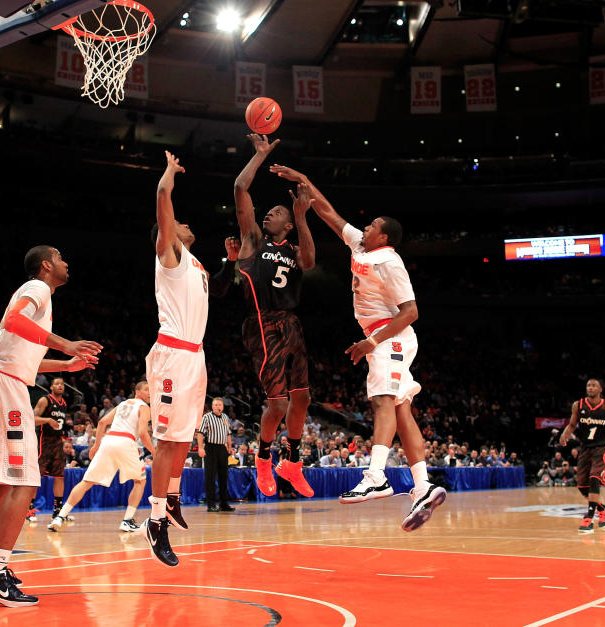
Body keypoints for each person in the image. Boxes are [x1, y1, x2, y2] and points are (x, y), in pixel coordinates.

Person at [272, 165, 447, 532]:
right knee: (401, 412)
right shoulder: (360, 245)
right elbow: (329, 213)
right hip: (381, 338)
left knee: (382, 400)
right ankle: (423, 486)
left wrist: (372, 342)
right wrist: (302, 178)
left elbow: (412, 312)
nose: (364, 227)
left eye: (372, 226)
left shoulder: (391, 262)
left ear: (384, 237)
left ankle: (376, 477)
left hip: (390, 337)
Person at [0, 245, 101, 607]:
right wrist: (66, 343)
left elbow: (25, 360)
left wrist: (66, 365)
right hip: (5, 385)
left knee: (4, 482)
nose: (66, 262)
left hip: (1, 378)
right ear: (46, 266)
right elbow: (13, 322)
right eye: (61, 257)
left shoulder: (40, 300)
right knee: (25, 480)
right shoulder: (38, 289)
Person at [233, 134, 316, 499]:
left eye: (277, 212)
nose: (270, 213)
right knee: (278, 403)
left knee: (303, 400)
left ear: (287, 224)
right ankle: (263, 456)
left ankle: (293, 462)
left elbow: (310, 263)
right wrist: (259, 155)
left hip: (291, 323)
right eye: (270, 211)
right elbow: (240, 188)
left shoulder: (295, 245)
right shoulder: (253, 239)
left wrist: (301, 218)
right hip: (262, 323)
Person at [143, 151, 214, 567]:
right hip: (172, 354)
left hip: (195, 356)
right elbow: (163, 204)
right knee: (168, 439)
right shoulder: (168, 257)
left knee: (185, 437)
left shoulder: (196, 263)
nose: (187, 225)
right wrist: (168, 175)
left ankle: (170, 497)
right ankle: (154, 522)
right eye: (179, 224)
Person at [49, 381, 154, 532]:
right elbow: (143, 434)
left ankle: (60, 516)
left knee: (87, 481)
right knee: (140, 481)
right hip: (125, 442)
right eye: (146, 389)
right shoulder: (144, 407)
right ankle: (127, 520)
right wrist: (155, 453)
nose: (150, 393)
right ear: (137, 392)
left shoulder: (122, 404)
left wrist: (96, 445)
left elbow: (103, 421)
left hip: (108, 441)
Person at [559, 378, 605, 533]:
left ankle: (589, 517)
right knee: (582, 486)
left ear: (600, 389)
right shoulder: (578, 405)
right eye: (588, 385)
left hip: (602, 447)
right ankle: (602, 509)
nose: (590, 388)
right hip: (585, 447)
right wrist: (565, 434)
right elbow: (571, 425)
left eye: (594, 385)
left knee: (594, 478)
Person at [31, 377, 69, 523]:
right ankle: (29, 509)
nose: (60, 386)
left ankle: (58, 510)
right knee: (37, 476)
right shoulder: (45, 400)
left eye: (62, 384)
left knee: (59, 476)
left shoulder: (64, 403)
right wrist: (47, 420)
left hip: (57, 442)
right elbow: (32, 418)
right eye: (57, 384)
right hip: (43, 441)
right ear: (51, 387)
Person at [197, 397, 235, 512]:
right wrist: (200, 448)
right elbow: (200, 433)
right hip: (210, 448)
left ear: (223, 407)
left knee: (224, 476)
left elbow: (228, 433)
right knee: (210, 477)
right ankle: (211, 505)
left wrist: (229, 446)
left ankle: (224, 504)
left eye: (220, 405)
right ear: (212, 407)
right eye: (216, 405)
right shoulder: (207, 417)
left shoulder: (225, 417)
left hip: (222, 448)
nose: (218, 407)